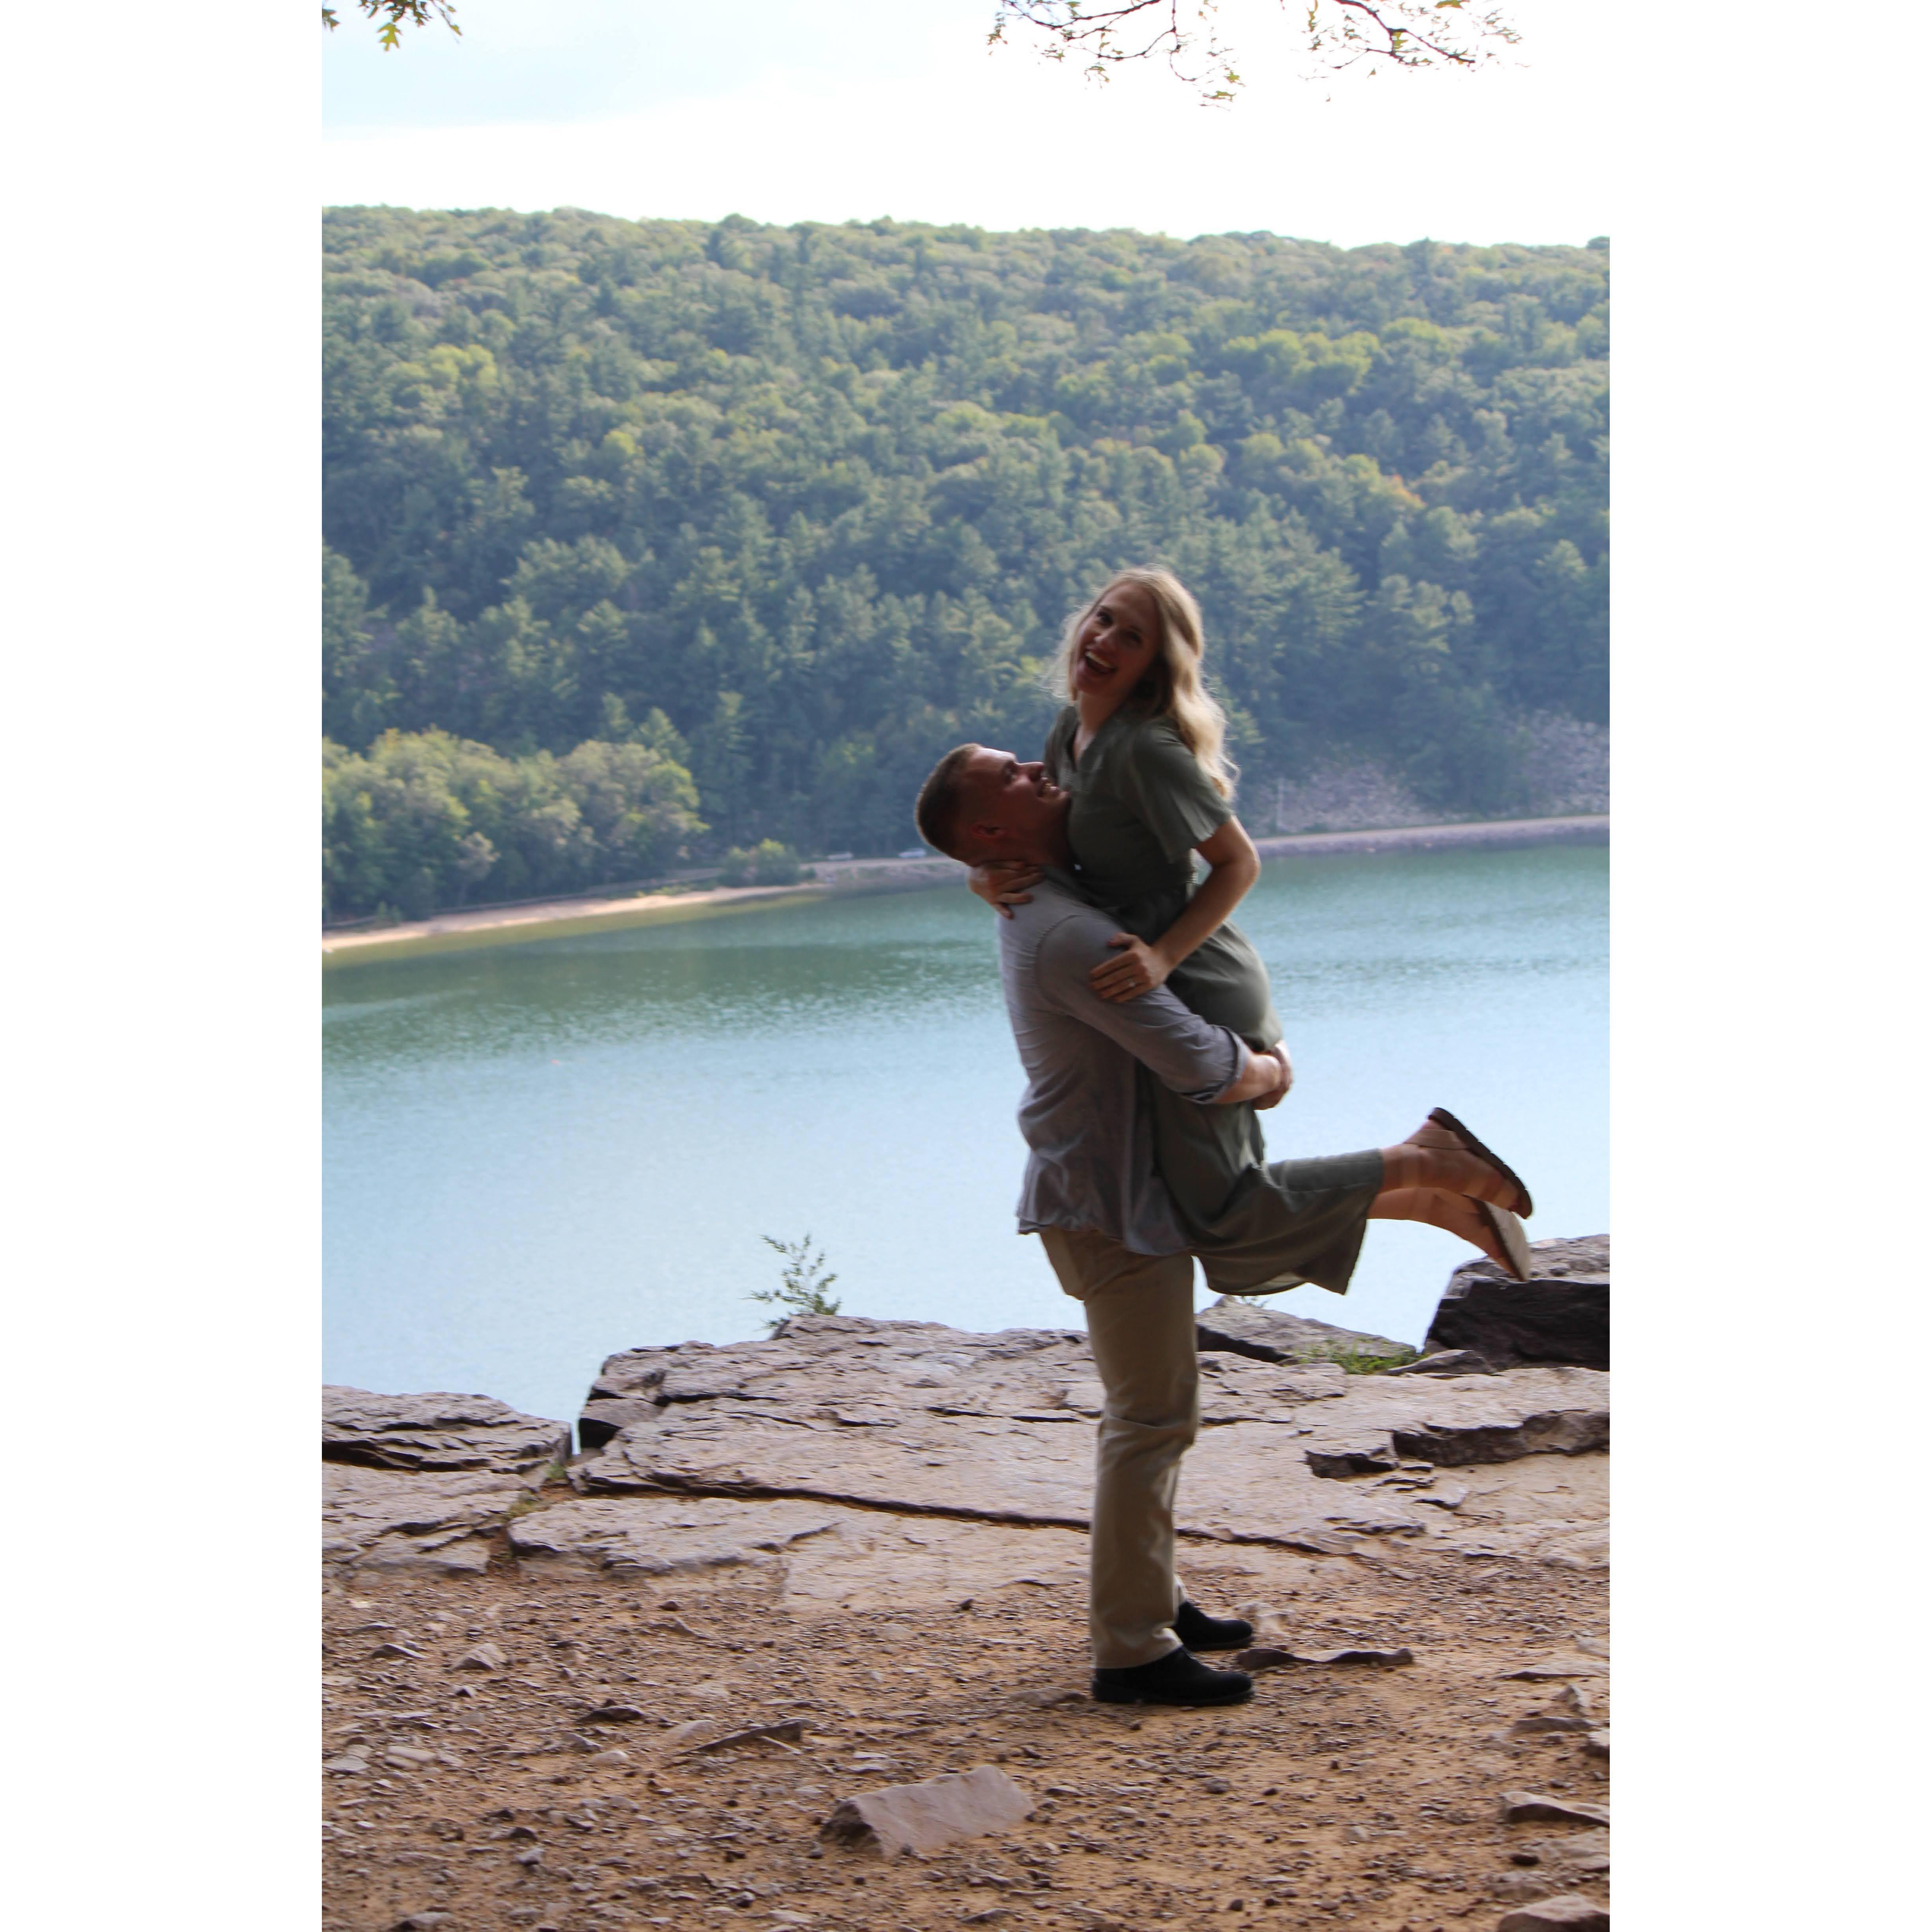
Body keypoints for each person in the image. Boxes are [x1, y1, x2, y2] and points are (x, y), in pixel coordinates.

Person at [913, 742, 1535, 1707]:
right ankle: (1131, 1648)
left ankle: (1152, 1593)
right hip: (1105, 1205)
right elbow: (1200, 1064)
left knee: (1167, 1397)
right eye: (1016, 777)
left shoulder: (1040, 892)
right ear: (992, 831)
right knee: (1149, 1417)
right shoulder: (1063, 933)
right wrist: (1274, 1069)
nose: (1039, 770)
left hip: (1122, 1190)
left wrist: (980, 876)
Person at [968, 566, 1535, 1296]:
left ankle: (1425, 1161)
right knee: (1209, 1206)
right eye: (1103, 619)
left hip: (1196, 977)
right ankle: (1428, 1193)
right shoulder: (1070, 733)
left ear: (1152, 668)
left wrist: (1163, 957)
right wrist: (981, 875)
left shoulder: (1146, 750)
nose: (1105, 639)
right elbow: (1042, 838)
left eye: (1131, 637)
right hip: (1148, 980)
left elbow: (1238, 863)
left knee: (1223, 1208)